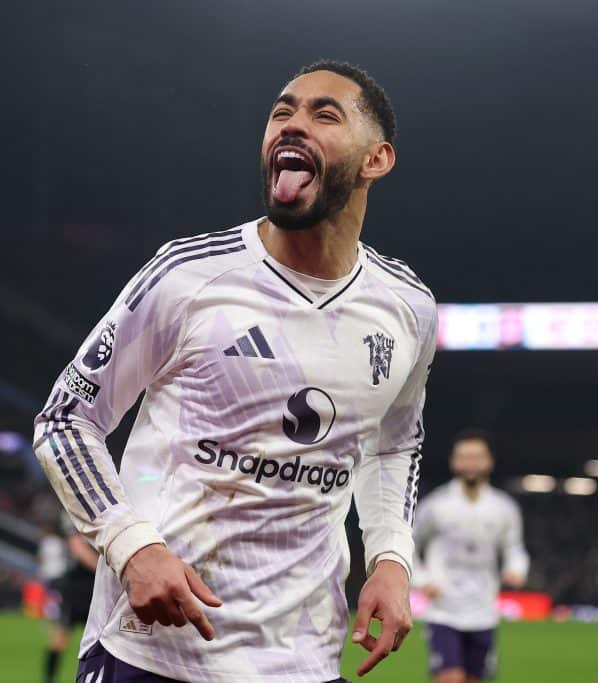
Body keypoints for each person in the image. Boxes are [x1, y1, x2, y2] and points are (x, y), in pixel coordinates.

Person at [32, 60, 437, 682]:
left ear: (375, 160)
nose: (292, 125)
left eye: (324, 115)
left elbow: (394, 444)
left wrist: (390, 557)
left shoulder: (407, 308)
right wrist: (133, 547)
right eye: (282, 112)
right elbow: (66, 419)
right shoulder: (187, 277)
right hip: (153, 653)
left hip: (303, 660)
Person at [413, 430, 529, 683]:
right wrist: (422, 580)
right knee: (450, 677)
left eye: (477, 457)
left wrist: (516, 569)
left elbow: (514, 548)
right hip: (444, 610)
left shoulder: (504, 508)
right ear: (454, 462)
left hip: (483, 610)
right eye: (464, 457)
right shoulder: (435, 506)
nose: (471, 463)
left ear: (489, 461)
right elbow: (409, 544)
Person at [41, 515, 100, 683]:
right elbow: (77, 547)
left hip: (93, 587)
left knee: (99, 636)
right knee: (62, 634)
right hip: (78, 589)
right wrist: (105, 568)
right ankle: (50, 678)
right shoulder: (76, 517)